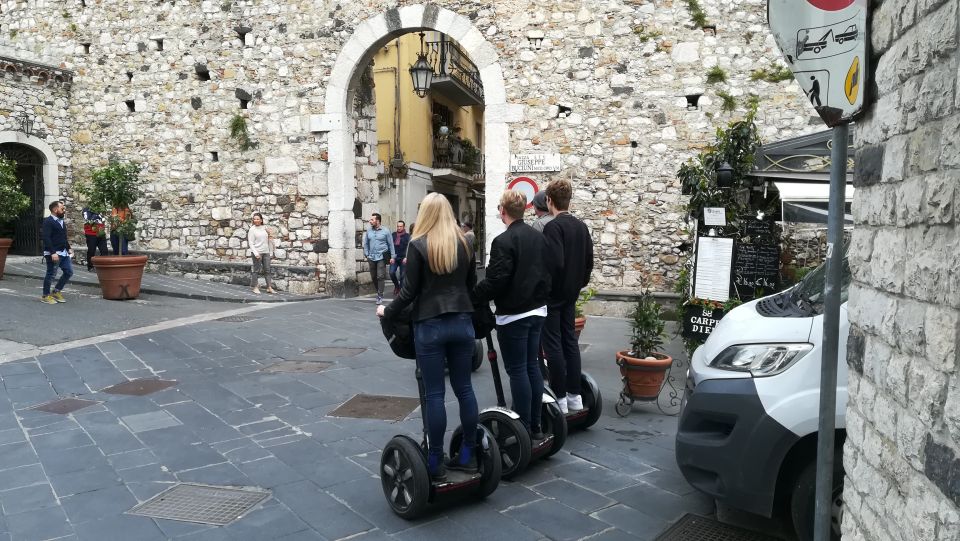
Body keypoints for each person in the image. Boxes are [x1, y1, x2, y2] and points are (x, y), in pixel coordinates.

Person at [378, 193, 479, 479]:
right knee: (465, 390)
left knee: (435, 394)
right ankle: (469, 454)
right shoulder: (465, 243)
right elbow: (471, 285)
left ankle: (436, 461)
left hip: (430, 325)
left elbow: (408, 292)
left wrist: (388, 311)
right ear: (448, 213)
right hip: (462, 322)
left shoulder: (419, 245)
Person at [474, 190, 551, 439]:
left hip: (514, 315)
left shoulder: (503, 241)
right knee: (533, 367)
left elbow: (497, 281)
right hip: (538, 311)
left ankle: (525, 428)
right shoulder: (538, 238)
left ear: (503, 211)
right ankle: (536, 425)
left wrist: (474, 294)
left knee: (518, 370)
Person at [541, 180, 594, 414]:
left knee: (552, 345)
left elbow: (555, 263)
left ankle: (560, 398)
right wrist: (577, 284)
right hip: (572, 292)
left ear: (549, 201)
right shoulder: (582, 227)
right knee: (570, 343)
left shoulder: (553, 228)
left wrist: (546, 288)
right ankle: (575, 397)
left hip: (554, 296)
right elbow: (588, 264)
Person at [40, 201, 74, 305]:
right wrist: (53, 252)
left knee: (69, 272)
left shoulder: (61, 221)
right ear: (55, 210)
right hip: (53, 253)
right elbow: (46, 238)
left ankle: (56, 291)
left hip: (63, 252)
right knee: (51, 274)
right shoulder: (48, 222)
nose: (64, 210)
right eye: (62, 209)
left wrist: (68, 248)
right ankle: (45, 296)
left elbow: (63, 237)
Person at [362, 212, 394, 305]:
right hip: (371, 257)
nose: (370, 221)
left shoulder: (386, 231)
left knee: (380, 276)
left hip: (381, 257)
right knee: (373, 277)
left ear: (378, 221)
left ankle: (380, 295)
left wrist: (393, 257)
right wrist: (367, 254)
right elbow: (366, 244)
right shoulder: (369, 231)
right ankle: (379, 291)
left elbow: (391, 244)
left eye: (372, 219)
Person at [247, 213, 275, 294]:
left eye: (257, 219)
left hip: (266, 252)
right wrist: (256, 253)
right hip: (257, 252)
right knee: (256, 270)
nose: (256, 220)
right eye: (254, 219)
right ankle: (255, 287)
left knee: (267, 270)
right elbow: (251, 243)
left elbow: (269, 240)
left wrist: (270, 252)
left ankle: (269, 287)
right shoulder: (252, 230)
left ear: (261, 220)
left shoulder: (264, 228)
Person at [81, 206, 109, 271]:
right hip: (91, 234)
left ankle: (103, 266)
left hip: (101, 233)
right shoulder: (87, 209)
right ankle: (90, 266)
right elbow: (89, 220)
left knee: (104, 250)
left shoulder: (101, 209)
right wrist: (98, 230)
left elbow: (103, 220)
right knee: (91, 251)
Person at [389, 220, 410, 296]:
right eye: (398, 226)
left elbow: (409, 247)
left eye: (400, 226)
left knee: (402, 275)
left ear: (404, 227)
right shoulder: (393, 235)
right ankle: (397, 286)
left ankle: (401, 291)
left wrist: (406, 257)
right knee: (391, 273)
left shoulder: (408, 236)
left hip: (403, 258)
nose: (399, 228)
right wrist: (391, 257)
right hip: (394, 258)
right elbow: (390, 246)